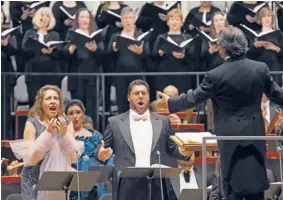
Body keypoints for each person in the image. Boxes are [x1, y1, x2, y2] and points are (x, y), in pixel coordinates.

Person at [158, 26, 283, 200]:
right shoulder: (260, 69)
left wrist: (171, 102)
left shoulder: (216, 74)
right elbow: (278, 96)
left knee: (231, 188)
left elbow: (195, 98)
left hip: (229, 138)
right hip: (254, 136)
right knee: (255, 186)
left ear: (223, 48)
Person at [96, 79, 193, 200]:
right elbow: (101, 149)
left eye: (144, 93)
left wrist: (184, 153)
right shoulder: (114, 123)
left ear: (149, 97)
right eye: (136, 93)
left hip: (157, 184)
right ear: (128, 97)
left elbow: (172, 148)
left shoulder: (163, 122)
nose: (140, 96)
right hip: (127, 186)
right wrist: (101, 155)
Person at [9, 85, 82, 200]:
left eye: (55, 98)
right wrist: (47, 134)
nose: (53, 101)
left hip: (59, 180)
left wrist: (64, 136)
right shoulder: (32, 123)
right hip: (34, 179)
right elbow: (30, 159)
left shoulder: (66, 123)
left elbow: (73, 157)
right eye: (48, 98)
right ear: (41, 103)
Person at [65, 99, 114, 200]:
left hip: (96, 180)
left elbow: (106, 158)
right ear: (66, 116)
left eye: (78, 112)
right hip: (72, 179)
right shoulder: (63, 137)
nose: (75, 116)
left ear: (83, 114)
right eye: (70, 113)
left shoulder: (96, 135)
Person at [64, 8, 104, 127]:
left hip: (92, 76)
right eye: (82, 17)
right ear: (77, 20)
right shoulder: (71, 34)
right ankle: (75, 134)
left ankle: (92, 134)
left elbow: (103, 56)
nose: (85, 20)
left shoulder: (96, 34)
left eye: (87, 17)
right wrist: (71, 48)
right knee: (76, 108)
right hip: (77, 77)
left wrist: (95, 50)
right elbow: (64, 56)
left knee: (91, 108)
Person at [108, 7, 149, 113]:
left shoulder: (140, 35)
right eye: (125, 18)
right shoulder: (115, 36)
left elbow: (149, 54)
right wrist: (113, 49)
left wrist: (141, 52)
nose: (128, 20)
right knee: (122, 103)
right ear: (121, 20)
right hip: (120, 74)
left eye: (130, 18)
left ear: (134, 19)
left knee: (138, 103)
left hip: (138, 73)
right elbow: (107, 55)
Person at [22, 7, 61, 107]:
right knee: (35, 104)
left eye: (47, 16)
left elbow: (59, 54)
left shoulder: (54, 35)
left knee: (50, 104)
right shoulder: (30, 33)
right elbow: (24, 51)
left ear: (50, 20)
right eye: (42, 15)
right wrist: (36, 47)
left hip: (51, 73)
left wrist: (50, 52)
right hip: (33, 73)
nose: (44, 18)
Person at [153, 9, 196, 95]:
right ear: (168, 22)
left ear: (181, 23)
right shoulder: (161, 37)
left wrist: (183, 56)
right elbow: (153, 54)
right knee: (165, 99)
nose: (174, 22)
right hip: (165, 72)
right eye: (172, 19)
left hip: (182, 72)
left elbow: (193, 56)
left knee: (181, 99)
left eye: (177, 19)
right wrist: (159, 53)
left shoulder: (187, 37)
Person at [95, 1, 128, 112]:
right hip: (107, 46)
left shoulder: (125, 7)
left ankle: (124, 109)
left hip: (123, 45)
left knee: (122, 79)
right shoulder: (103, 7)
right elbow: (97, 24)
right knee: (107, 79)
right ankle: (106, 109)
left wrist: (122, 24)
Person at [9, 1, 50, 73]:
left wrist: (37, 14)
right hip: (22, 36)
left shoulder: (41, 3)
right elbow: (16, 22)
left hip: (37, 33)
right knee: (21, 61)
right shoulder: (15, 4)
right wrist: (24, 16)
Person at [247, 7, 283, 86]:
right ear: (260, 19)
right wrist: (254, 47)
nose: (267, 18)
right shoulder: (254, 35)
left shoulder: (279, 34)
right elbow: (249, 57)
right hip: (259, 71)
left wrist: (275, 48)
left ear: (272, 18)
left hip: (274, 71)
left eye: (269, 16)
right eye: (264, 16)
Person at [1, 10, 17, 139]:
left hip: (4, 79)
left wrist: (5, 45)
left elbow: (13, 52)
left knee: (4, 110)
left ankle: (4, 138)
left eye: (1, 17)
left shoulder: (6, 35)